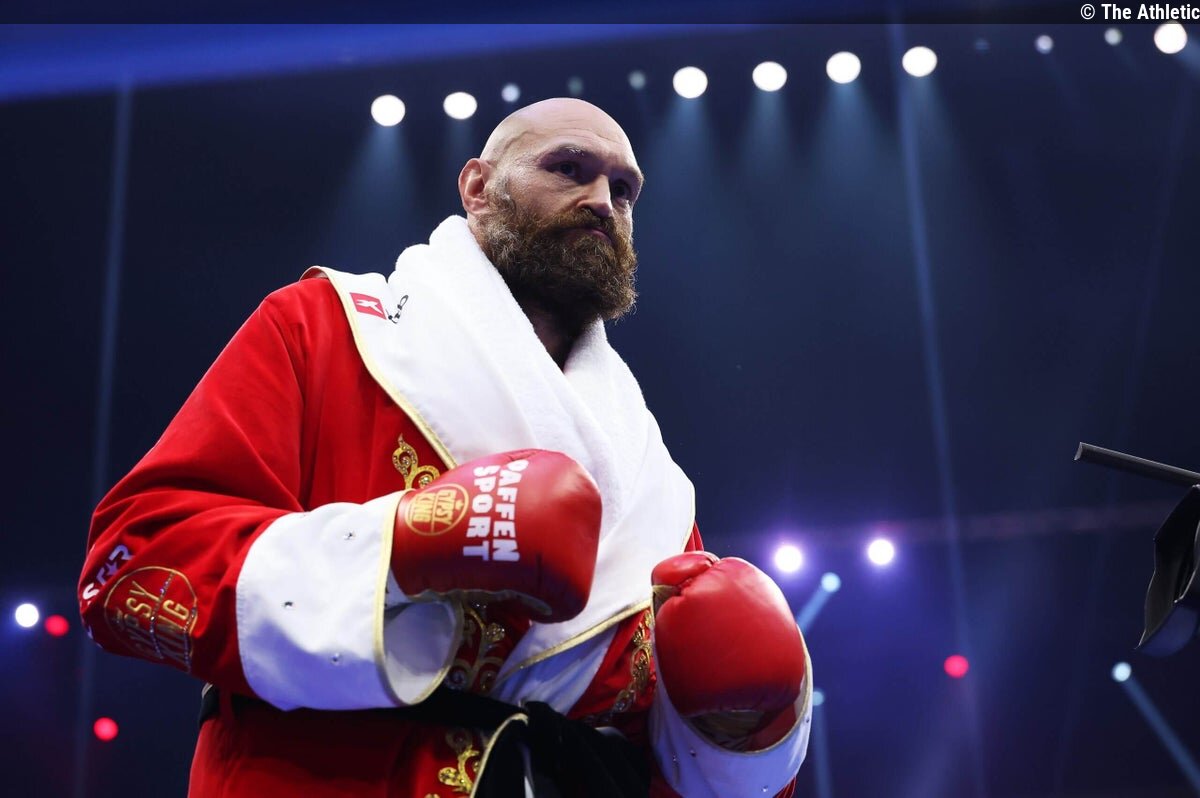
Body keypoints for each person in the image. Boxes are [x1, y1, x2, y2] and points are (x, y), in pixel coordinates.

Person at [78, 98, 812, 797]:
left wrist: (735, 728)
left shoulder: (650, 480)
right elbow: (132, 563)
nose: (601, 200)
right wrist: (404, 544)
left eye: (624, 190)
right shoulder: (328, 328)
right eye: (568, 168)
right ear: (478, 189)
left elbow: (662, 765)